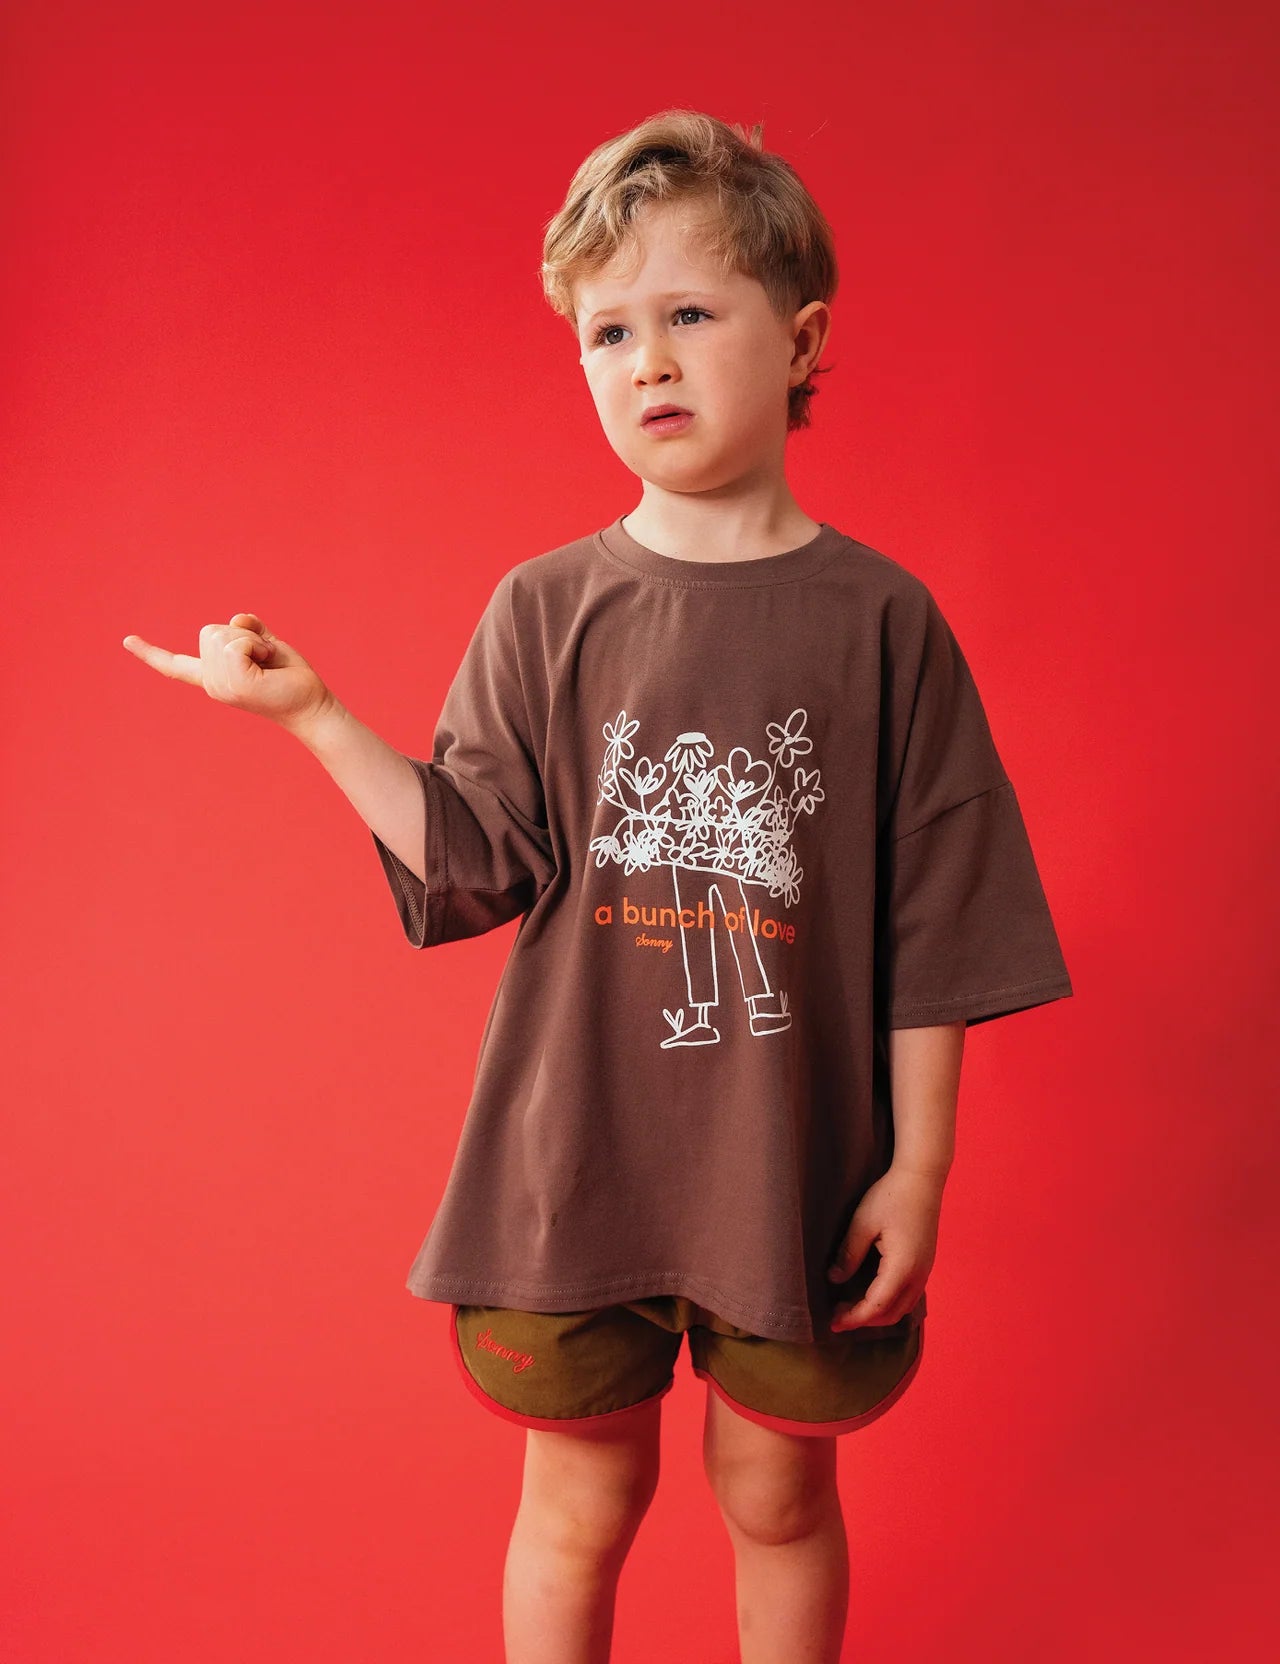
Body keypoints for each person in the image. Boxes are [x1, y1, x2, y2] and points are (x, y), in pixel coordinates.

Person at [123, 109, 1073, 1664]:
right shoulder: (544, 608)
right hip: (579, 1164)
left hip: (796, 1169)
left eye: (688, 313)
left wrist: (921, 1170)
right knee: (578, 1505)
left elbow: (941, 925)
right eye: (608, 331)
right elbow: (471, 857)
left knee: (778, 1496)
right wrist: (315, 718)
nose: (648, 363)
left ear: (801, 338)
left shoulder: (885, 623)